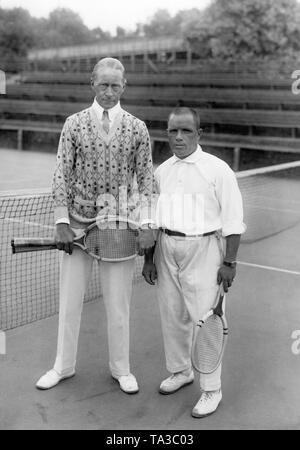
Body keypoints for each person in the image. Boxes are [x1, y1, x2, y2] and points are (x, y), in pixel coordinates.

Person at [36, 57, 155, 394]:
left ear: (124, 86)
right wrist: (61, 220)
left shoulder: (137, 128)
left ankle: (122, 369)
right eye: (103, 84)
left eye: (115, 85)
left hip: (119, 225)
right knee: (69, 302)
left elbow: (146, 181)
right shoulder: (73, 124)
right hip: (76, 224)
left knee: (119, 305)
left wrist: (146, 223)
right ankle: (63, 366)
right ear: (92, 84)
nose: (109, 91)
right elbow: (62, 172)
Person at [143, 107, 245, 417]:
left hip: (205, 250)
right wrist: (149, 259)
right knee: (173, 315)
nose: (178, 137)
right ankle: (180, 371)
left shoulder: (218, 170)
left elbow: (234, 220)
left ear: (199, 134)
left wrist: (230, 262)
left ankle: (212, 388)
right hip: (166, 248)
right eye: (173, 131)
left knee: (207, 322)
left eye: (186, 131)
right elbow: (152, 217)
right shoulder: (162, 171)